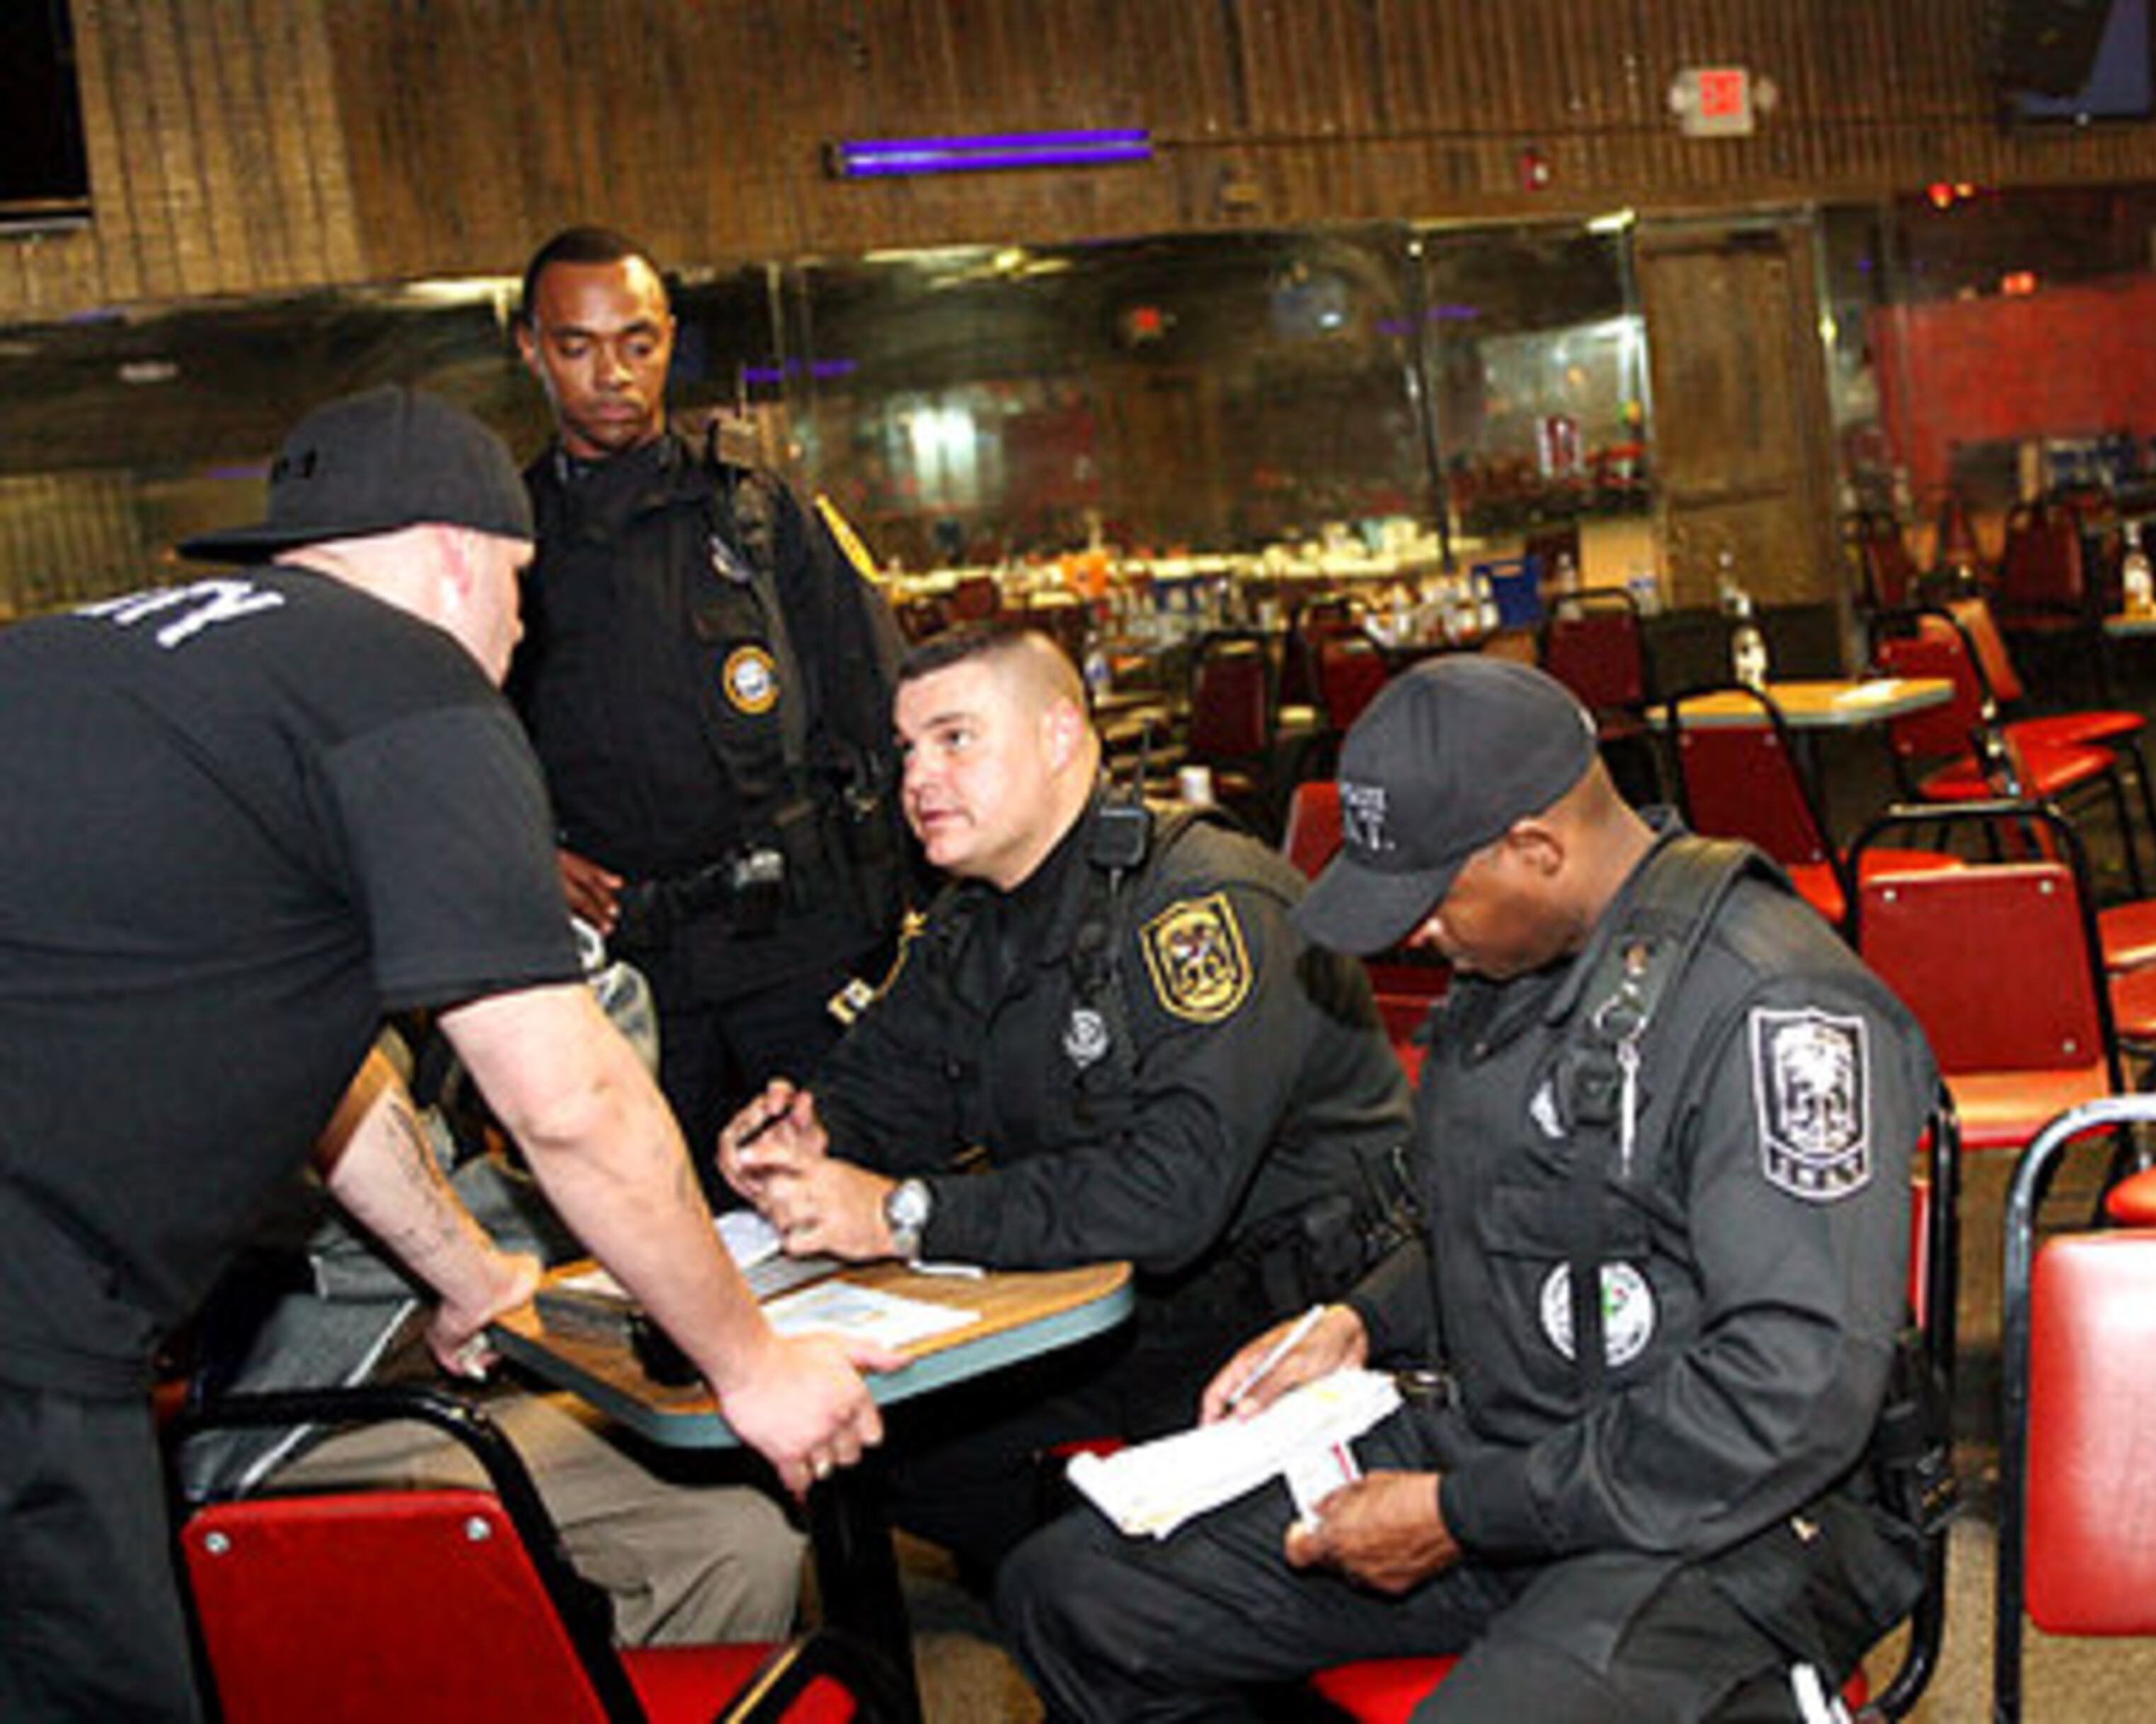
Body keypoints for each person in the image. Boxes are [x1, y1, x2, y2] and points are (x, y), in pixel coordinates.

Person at [0, 385, 891, 1723]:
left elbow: (325, 1070)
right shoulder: (399, 679)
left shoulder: (86, 659)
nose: (521, 632)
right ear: (459, 553)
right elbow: (570, 1098)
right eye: (523, 588)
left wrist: (467, 1270)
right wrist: (758, 1371)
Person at [994, 656, 1942, 1722]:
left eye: (1431, 899)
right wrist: (1357, 1316)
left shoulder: (1777, 1007)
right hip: (1521, 1449)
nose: (1417, 934)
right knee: (1074, 1595)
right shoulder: (1521, 963)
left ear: (1537, 848)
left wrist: (1460, 1511)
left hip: (1733, 1516)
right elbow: (1500, 1214)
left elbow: (1789, 1390)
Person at [718, 620, 1411, 1579]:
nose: (918, 778)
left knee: (1055, 1561)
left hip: (1292, 1327)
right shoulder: (979, 915)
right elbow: (886, 1086)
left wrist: (900, 1212)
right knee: (857, 1444)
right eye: (908, 748)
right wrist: (800, 1141)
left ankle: (1118, 1609)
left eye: (956, 738)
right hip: (1105, 1309)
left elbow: (1168, 1196)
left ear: (1057, 736)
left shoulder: (1199, 906)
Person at [177, 944, 807, 1647]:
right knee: (730, 1532)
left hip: (495, 1377)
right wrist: (495, 1142)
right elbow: (527, 1180)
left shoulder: (479, 966)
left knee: (746, 1525)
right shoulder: (270, 995)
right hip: (314, 1421)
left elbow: (595, 1156)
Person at [508, 224, 907, 1185]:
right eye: (578, 345)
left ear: (669, 339)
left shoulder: (760, 511)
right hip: (630, 980)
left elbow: (881, 706)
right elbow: (458, 747)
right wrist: (522, 853)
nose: (613, 373)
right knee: (660, 1258)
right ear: (530, 346)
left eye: (638, 343)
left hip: (800, 949)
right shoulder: (503, 543)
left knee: (847, 1224)